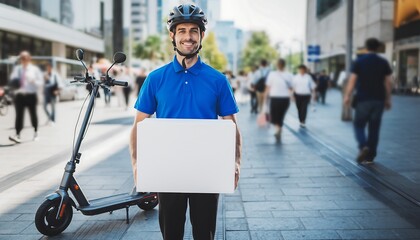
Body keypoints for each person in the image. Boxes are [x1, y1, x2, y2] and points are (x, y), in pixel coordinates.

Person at [129, 4, 241, 240]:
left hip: (207, 169)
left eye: (193, 31)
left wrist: (236, 162)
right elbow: (139, 124)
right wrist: (138, 165)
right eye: (182, 31)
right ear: (173, 35)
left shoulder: (218, 80)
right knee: (171, 234)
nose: (188, 37)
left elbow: (231, 125)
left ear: (201, 36)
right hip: (169, 170)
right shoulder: (155, 78)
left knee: (204, 233)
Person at [344, 38, 392, 164]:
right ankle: (370, 157)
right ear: (377, 48)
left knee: (359, 125)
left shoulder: (359, 61)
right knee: (374, 128)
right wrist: (388, 99)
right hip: (379, 99)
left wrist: (347, 95)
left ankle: (363, 146)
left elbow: (352, 80)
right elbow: (388, 82)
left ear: (366, 47)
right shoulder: (383, 62)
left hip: (363, 99)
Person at [8, 51, 43, 143]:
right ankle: (17, 134)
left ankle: (36, 132)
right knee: (19, 116)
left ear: (29, 59)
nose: (23, 60)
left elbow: (41, 82)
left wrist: (34, 81)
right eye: (21, 58)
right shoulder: (17, 69)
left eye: (25, 58)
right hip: (20, 96)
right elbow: (12, 80)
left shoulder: (34, 69)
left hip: (31, 95)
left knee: (33, 115)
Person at [263, 58, 293, 142]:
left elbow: (291, 87)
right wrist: (266, 96)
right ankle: (278, 129)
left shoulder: (288, 75)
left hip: (284, 97)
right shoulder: (272, 74)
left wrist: (292, 96)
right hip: (275, 97)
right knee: (275, 114)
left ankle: (278, 129)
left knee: (280, 114)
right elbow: (268, 87)